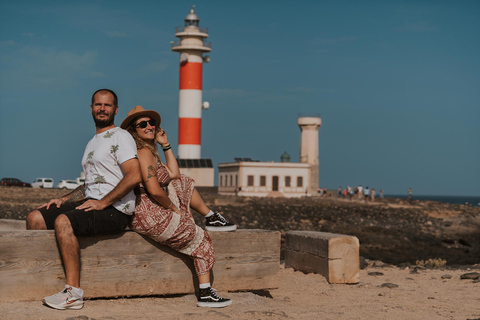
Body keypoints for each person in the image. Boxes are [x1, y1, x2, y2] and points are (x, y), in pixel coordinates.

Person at [26, 89, 142, 310]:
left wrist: (103, 202)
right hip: (92, 202)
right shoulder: (92, 142)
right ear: (91, 109)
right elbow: (90, 185)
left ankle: (73, 293)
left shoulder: (121, 136)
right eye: (98, 105)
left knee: (63, 221)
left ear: (115, 110)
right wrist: (63, 199)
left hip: (115, 210)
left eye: (107, 105)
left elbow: (134, 175)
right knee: (36, 218)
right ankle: (43, 278)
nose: (102, 109)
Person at [120, 106, 233, 308]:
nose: (149, 126)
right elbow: (154, 190)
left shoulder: (150, 152)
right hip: (150, 215)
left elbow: (174, 174)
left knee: (183, 182)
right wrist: (174, 209)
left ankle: (211, 216)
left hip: (147, 213)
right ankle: (206, 293)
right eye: (142, 124)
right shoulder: (143, 153)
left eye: (151, 122)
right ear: (133, 130)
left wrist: (166, 144)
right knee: (202, 239)